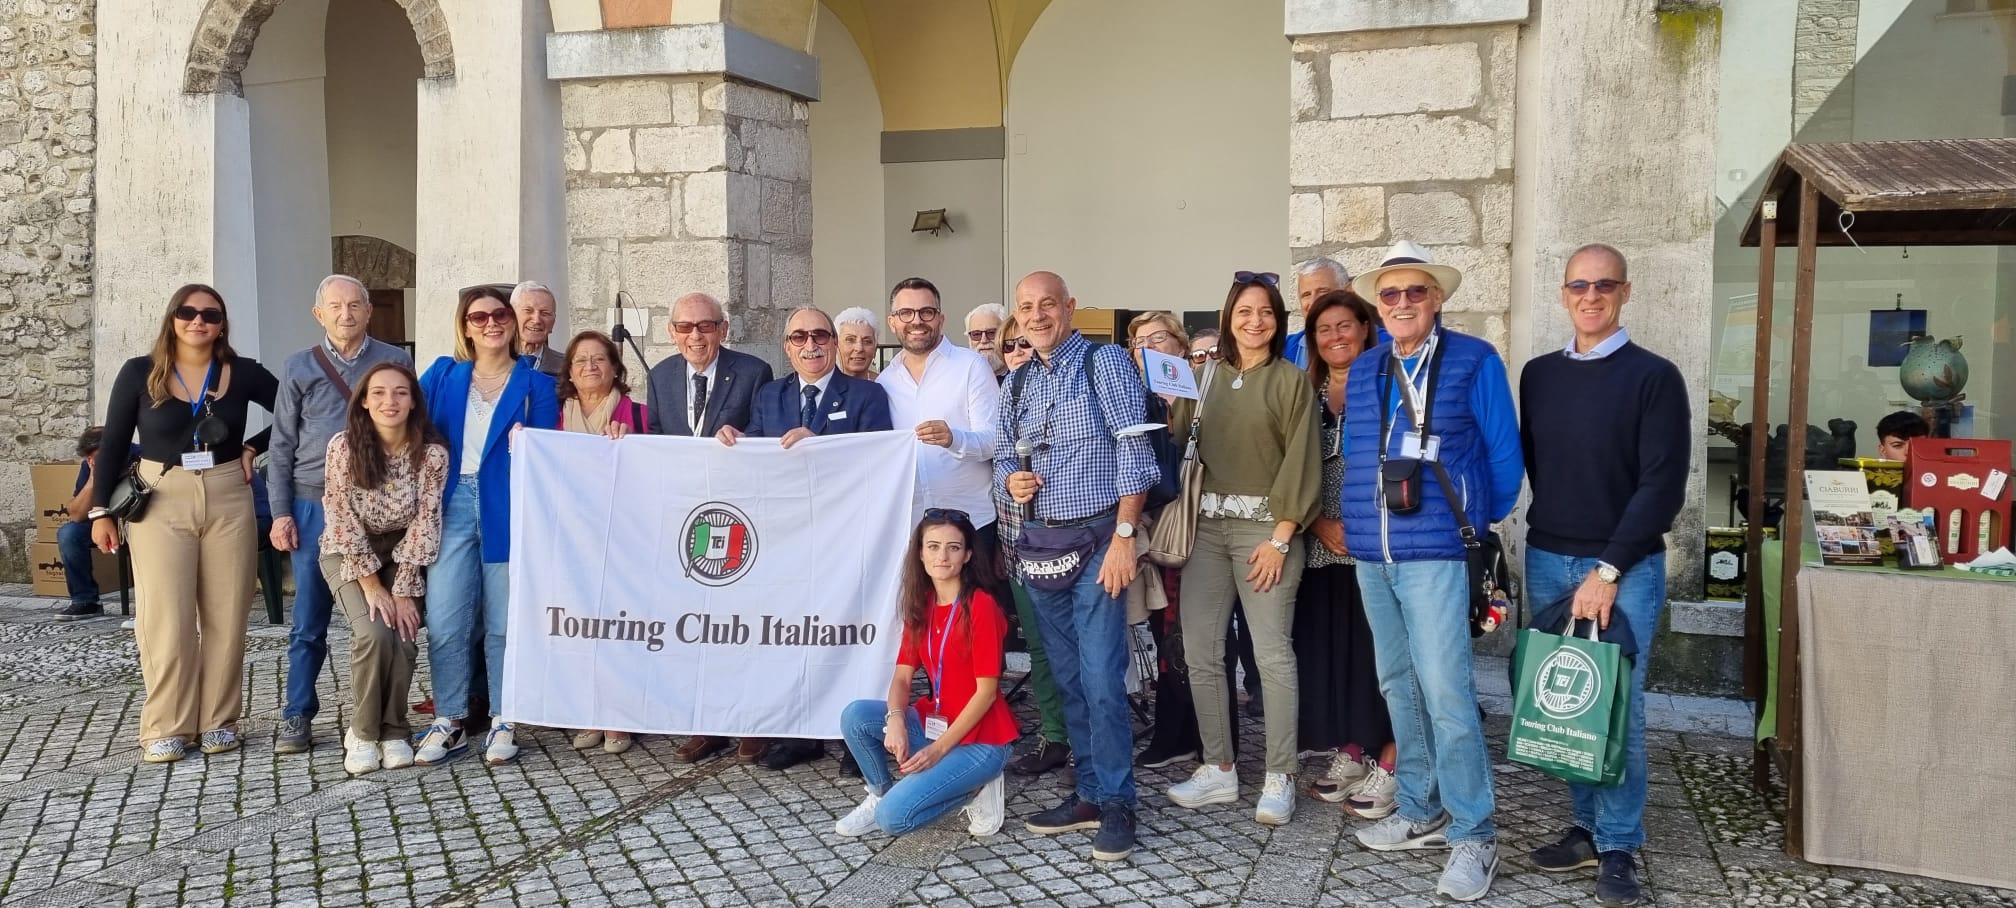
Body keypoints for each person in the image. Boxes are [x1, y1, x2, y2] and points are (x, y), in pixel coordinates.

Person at [1341, 241, 1523, 902]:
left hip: (1438, 551)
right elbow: (1360, 453)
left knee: (1448, 695)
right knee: (1399, 683)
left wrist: (1467, 520)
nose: (1401, 304)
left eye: (1415, 292)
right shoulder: (1365, 369)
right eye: (1389, 295)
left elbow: (1504, 460)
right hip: (1372, 551)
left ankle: (1475, 833)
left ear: (1437, 299)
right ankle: (1420, 807)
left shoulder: (1474, 359)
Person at [1520, 244, 1689, 906]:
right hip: (1547, 554)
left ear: (1625, 292)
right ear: (1563, 294)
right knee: (1567, 704)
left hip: (1623, 566)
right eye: (1579, 285)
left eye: (1605, 285)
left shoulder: (1654, 377)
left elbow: (1662, 486)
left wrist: (1609, 565)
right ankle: (1586, 827)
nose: (1591, 296)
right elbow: (1538, 460)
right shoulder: (1537, 375)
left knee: (1617, 705)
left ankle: (1620, 844)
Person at [995, 270, 1158, 862]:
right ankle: (1087, 792)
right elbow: (997, 469)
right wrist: (1010, 481)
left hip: (1098, 541)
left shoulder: (1105, 363)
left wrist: (1123, 536)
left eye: (1047, 305)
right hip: (1039, 546)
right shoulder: (1014, 385)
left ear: (1069, 307)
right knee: (1065, 681)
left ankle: (1117, 800)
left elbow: (1135, 451)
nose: (1037, 316)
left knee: (1100, 680)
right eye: (1026, 308)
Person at [89, 284, 280, 763]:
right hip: (161, 494)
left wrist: (255, 446)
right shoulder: (139, 372)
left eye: (210, 314)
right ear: (172, 317)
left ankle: (219, 719)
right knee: (165, 617)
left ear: (222, 323)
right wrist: (99, 511)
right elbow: (113, 442)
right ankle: (166, 724)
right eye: (188, 312)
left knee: (227, 613)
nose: (199, 321)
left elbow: (296, 413)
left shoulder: (244, 373)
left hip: (227, 493)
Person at [1164, 273, 1321, 827]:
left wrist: (1282, 537)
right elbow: (1181, 447)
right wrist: (1167, 401)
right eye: (1245, 312)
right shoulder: (1204, 378)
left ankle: (1280, 775)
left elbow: (1304, 461)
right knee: (1201, 650)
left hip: (1266, 533)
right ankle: (1219, 768)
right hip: (1205, 530)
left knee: (1272, 654)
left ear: (1279, 322)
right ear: (1229, 317)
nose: (1255, 321)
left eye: (1267, 313)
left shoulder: (1291, 380)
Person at [719, 306, 894, 769]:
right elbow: (758, 452)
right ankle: (802, 733)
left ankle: (859, 737)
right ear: (787, 346)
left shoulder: (866, 395)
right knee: (797, 635)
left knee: (851, 634)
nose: (810, 344)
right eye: (799, 337)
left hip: (849, 537)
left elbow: (877, 458)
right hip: (789, 541)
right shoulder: (770, 395)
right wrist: (734, 439)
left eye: (820, 335)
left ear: (835, 343)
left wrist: (822, 448)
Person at [413, 285, 560, 766]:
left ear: (513, 323)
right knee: (447, 617)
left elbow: (549, 452)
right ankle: (450, 717)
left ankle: (504, 716)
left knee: (503, 620)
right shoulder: (442, 375)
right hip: (452, 503)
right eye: (479, 317)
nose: (491, 323)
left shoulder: (536, 385)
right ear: (466, 325)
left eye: (500, 314)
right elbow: (406, 427)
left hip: (508, 507)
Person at [876, 278, 1018, 771]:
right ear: (893, 321)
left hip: (969, 523)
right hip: (915, 527)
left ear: (940, 316)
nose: (917, 320)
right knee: (923, 625)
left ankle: (980, 736)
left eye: (927, 311)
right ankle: (933, 723)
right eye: (907, 312)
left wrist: (953, 437)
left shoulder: (971, 365)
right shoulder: (884, 382)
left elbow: (994, 440)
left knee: (974, 633)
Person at [269, 274, 413, 755]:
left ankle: (382, 723)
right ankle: (297, 714)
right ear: (319, 314)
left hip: (381, 509)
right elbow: (282, 444)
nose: (346, 314)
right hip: (314, 504)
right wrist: (280, 512)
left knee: (382, 620)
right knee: (309, 619)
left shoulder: (395, 361)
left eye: (355, 305)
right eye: (336, 306)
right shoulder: (298, 367)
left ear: (369, 311)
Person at [835, 510, 1017, 839]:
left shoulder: (981, 605)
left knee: (894, 820)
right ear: (920, 553)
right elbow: (903, 677)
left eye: (953, 547)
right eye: (933, 546)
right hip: (937, 722)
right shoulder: (924, 602)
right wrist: (896, 720)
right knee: (857, 715)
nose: (942, 556)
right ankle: (878, 794)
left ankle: (976, 788)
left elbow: (986, 693)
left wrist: (937, 751)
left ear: (968, 555)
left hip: (982, 740)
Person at [1292, 290, 1397, 815]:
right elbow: (1286, 470)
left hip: (1377, 544)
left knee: (1378, 652)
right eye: (1323, 329)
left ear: (1365, 328)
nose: (1336, 337)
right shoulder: (1304, 395)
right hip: (1319, 546)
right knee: (1332, 654)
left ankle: (1392, 759)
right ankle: (1351, 748)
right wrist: (1315, 522)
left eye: (1345, 326)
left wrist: (1354, 525)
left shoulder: (1387, 388)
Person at [319, 362, 449, 776]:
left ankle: (394, 730)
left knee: (405, 635)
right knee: (375, 633)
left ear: (413, 402)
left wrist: (404, 589)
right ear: (364, 401)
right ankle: (362, 733)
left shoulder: (432, 455)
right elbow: (340, 518)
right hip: (349, 552)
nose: (389, 401)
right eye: (378, 392)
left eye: (399, 393)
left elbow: (426, 521)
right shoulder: (344, 447)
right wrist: (374, 587)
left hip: (406, 553)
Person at [553, 330, 649, 755]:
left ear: (615, 368)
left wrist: (633, 444)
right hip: (573, 537)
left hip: (624, 535)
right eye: (580, 361)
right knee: (580, 625)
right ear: (569, 373)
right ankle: (588, 710)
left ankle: (620, 715)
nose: (590, 367)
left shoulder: (639, 414)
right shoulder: (554, 417)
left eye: (599, 360)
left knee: (620, 623)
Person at [994, 312, 1073, 778]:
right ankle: (1054, 735)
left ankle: (1085, 737)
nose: (1019, 351)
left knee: (1077, 643)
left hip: (1071, 537)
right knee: (1040, 646)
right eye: (1010, 346)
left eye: (1026, 343)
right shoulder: (1008, 396)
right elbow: (999, 462)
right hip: (1017, 539)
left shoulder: (1062, 391)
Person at [645, 292, 774, 441]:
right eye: (684, 327)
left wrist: (743, 438)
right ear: (672, 333)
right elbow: (655, 438)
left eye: (705, 326)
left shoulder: (754, 374)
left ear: (723, 330)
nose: (695, 335)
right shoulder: (659, 377)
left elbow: (763, 434)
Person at [56, 427, 129, 621]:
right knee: (69, 534)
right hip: (101, 521)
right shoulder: (89, 465)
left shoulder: (140, 456)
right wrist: (93, 479)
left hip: (137, 519)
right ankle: (85, 601)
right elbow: (76, 515)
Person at [1283, 258, 1348, 368]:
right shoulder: (1286, 349)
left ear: (1347, 293)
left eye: (1323, 291)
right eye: (1306, 295)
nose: (1313, 302)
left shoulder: (1381, 343)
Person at [513, 281, 565, 377]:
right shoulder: (487, 364)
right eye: (528, 311)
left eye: (545, 313)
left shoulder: (568, 368)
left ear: (553, 321)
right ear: (511, 315)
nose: (536, 320)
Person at [965, 302, 1008, 378]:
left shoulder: (1022, 377)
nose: (983, 340)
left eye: (991, 333)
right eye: (976, 334)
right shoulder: (962, 377)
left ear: (1006, 334)